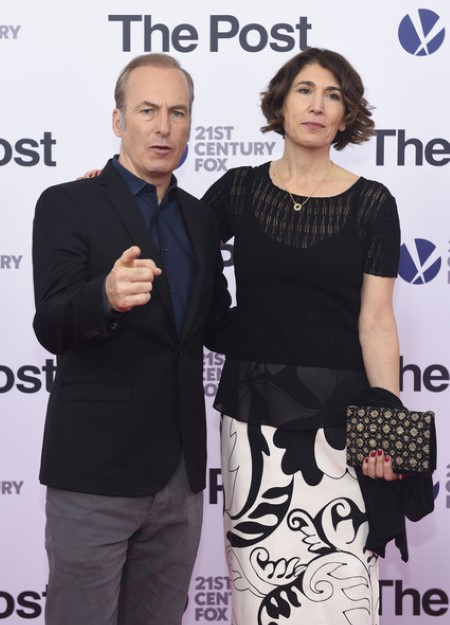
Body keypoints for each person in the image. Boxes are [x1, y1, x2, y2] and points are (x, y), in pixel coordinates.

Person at [201, 48, 403, 625]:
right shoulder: (238, 189)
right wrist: (109, 190)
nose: (317, 105)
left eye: (333, 95)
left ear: (345, 116)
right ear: (281, 104)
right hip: (252, 428)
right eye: (305, 90)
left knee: (343, 595)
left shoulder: (373, 203)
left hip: (342, 430)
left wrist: (385, 430)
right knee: (260, 597)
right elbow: (177, 240)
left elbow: (377, 321)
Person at [32, 53, 230, 625]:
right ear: (119, 121)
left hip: (180, 479)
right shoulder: (68, 202)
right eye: (147, 111)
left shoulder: (200, 219)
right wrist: (105, 296)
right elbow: (51, 324)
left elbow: (217, 323)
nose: (163, 126)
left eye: (177, 112)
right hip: (94, 473)